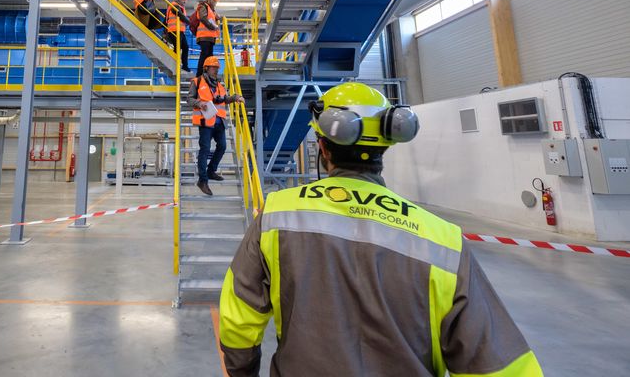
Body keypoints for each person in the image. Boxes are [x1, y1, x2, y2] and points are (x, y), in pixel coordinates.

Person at [219, 83, 543, 377]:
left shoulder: (278, 214)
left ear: (323, 148)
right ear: (385, 147)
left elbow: (239, 317)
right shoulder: (442, 240)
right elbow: (500, 365)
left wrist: (242, 371)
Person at [188, 56, 242, 196]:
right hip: (206, 122)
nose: (216, 70)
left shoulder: (219, 85)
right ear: (206, 68)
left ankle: (211, 171)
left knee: (222, 146)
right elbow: (189, 99)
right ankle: (202, 180)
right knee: (205, 149)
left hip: (219, 122)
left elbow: (224, 99)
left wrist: (235, 97)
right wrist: (200, 103)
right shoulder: (197, 82)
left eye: (217, 68)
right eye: (213, 68)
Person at [194, 0, 221, 77]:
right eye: (214, 1)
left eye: (216, 1)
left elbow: (211, 18)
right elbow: (203, 18)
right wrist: (212, 26)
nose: (215, 3)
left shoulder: (211, 9)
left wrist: (217, 17)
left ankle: (207, 75)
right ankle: (199, 75)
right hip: (204, 36)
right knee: (204, 55)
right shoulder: (203, 6)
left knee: (209, 57)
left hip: (210, 37)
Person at [166, 0, 191, 72]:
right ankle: (174, 65)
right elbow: (181, 16)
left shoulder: (179, 7)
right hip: (174, 30)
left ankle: (184, 66)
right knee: (177, 48)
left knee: (185, 47)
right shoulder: (174, 6)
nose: (184, 2)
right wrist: (190, 22)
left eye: (185, 0)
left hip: (180, 31)